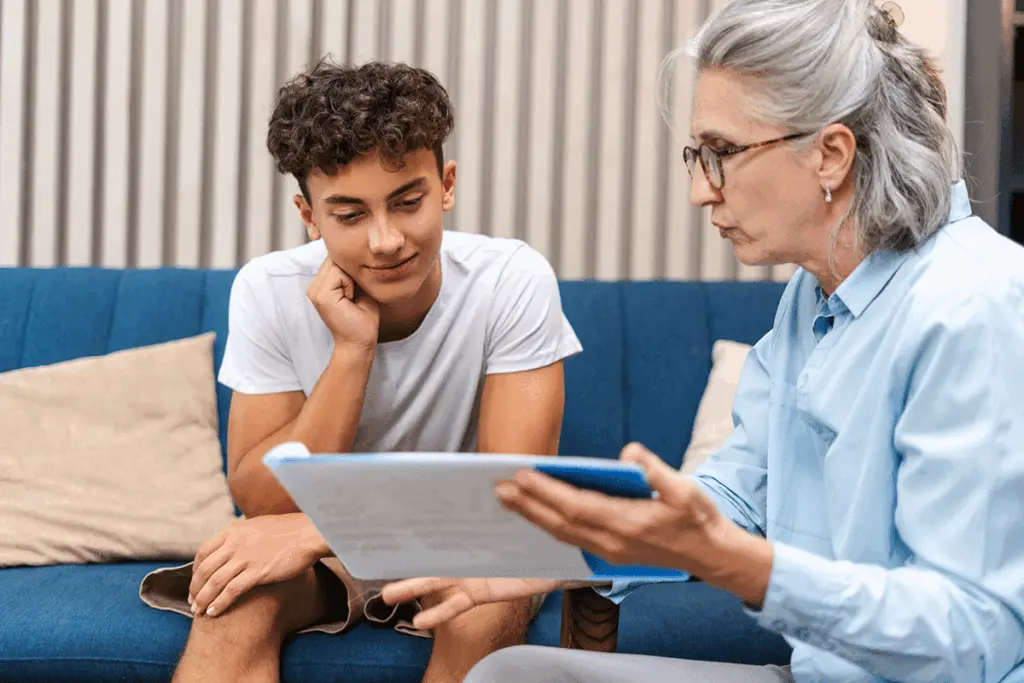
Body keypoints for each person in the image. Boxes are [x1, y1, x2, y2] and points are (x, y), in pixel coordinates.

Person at [380, 0, 1024, 681]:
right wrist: (551, 542)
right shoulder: (813, 298)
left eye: (720, 153)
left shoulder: (975, 304)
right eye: (697, 155)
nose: (698, 191)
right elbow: (734, 496)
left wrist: (742, 566)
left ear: (830, 154)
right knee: (513, 674)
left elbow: (970, 631)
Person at [140, 60, 583, 683]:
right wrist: (352, 353)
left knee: (489, 597)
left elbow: (515, 496)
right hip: (327, 547)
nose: (386, 241)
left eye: (407, 203)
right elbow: (263, 502)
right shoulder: (268, 289)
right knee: (234, 600)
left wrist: (318, 529)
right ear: (308, 214)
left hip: (471, 537)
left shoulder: (512, 277)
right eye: (349, 215)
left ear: (447, 184)